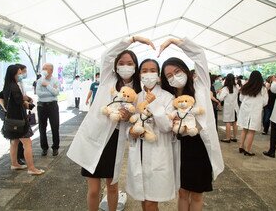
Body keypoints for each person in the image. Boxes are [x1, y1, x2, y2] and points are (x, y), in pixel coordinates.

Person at [67, 36, 154, 211]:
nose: (125, 66)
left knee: (112, 186)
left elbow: (136, 120)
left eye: (130, 63)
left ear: (135, 67)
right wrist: (133, 39)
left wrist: (127, 117)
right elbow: (107, 55)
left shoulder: (139, 92)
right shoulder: (108, 78)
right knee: (93, 188)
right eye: (121, 62)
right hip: (94, 136)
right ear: (115, 65)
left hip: (115, 140)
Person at [159, 38, 224, 211]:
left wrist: (175, 41)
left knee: (196, 193)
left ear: (186, 71)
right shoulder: (168, 97)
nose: (174, 77)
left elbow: (199, 55)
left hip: (200, 146)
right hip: (180, 146)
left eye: (177, 71)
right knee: (182, 191)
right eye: (169, 75)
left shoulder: (200, 86)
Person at [127, 59, 175, 210]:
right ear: (139, 74)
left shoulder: (168, 97)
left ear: (159, 75)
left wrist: (154, 103)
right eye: (144, 70)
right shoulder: (136, 97)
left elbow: (166, 127)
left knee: (151, 202)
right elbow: (132, 123)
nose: (148, 74)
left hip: (157, 154)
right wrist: (131, 132)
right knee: (143, 198)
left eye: (152, 70)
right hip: (139, 153)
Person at [0, 64, 44, 175]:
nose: (21, 75)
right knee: (27, 143)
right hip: (19, 120)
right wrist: (29, 104)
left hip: (11, 119)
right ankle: (32, 168)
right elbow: (20, 102)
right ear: (13, 74)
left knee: (14, 142)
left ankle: (14, 164)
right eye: (19, 73)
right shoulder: (14, 86)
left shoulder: (7, 85)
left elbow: (1, 98)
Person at [237, 71, 268, 156]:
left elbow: (241, 98)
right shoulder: (263, 89)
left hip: (245, 109)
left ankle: (241, 146)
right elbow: (265, 102)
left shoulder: (246, 86)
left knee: (244, 129)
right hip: (255, 110)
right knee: (251, 130)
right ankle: (247, 150)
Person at [36, 63, 60, 157]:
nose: (43, 70)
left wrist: (47, 85)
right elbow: (39, 93)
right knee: (42, 128)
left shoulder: (55, 80)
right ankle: (44, 148)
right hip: (41, 106)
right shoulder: (39, 81)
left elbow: (56, 93)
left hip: (52, 106)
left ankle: (55, 147)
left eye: (45, 68)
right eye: (43, 68)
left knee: (55, 127)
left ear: (51, 70)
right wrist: (51, 91)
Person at [217, 73, 239, 143]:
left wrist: (218, 93)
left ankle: (228, 138)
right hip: (235, 107)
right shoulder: (237, 87)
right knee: (235, 122)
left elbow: (220, 98)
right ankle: (234, 137)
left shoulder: (225, 88)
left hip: (228, 108)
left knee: (228, 122)